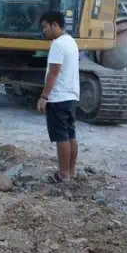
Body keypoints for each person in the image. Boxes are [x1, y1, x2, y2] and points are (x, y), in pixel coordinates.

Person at [36, 11, 80, 184]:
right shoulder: (71, 42)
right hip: (71, 96)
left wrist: (44, 96)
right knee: (70, 135)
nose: (44, 31)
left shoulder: (58, 45)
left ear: (55, 25)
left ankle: (63, 175)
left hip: (58, 97)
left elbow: (53, 73)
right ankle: (71, 171)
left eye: (45, 27)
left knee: (61, 137)